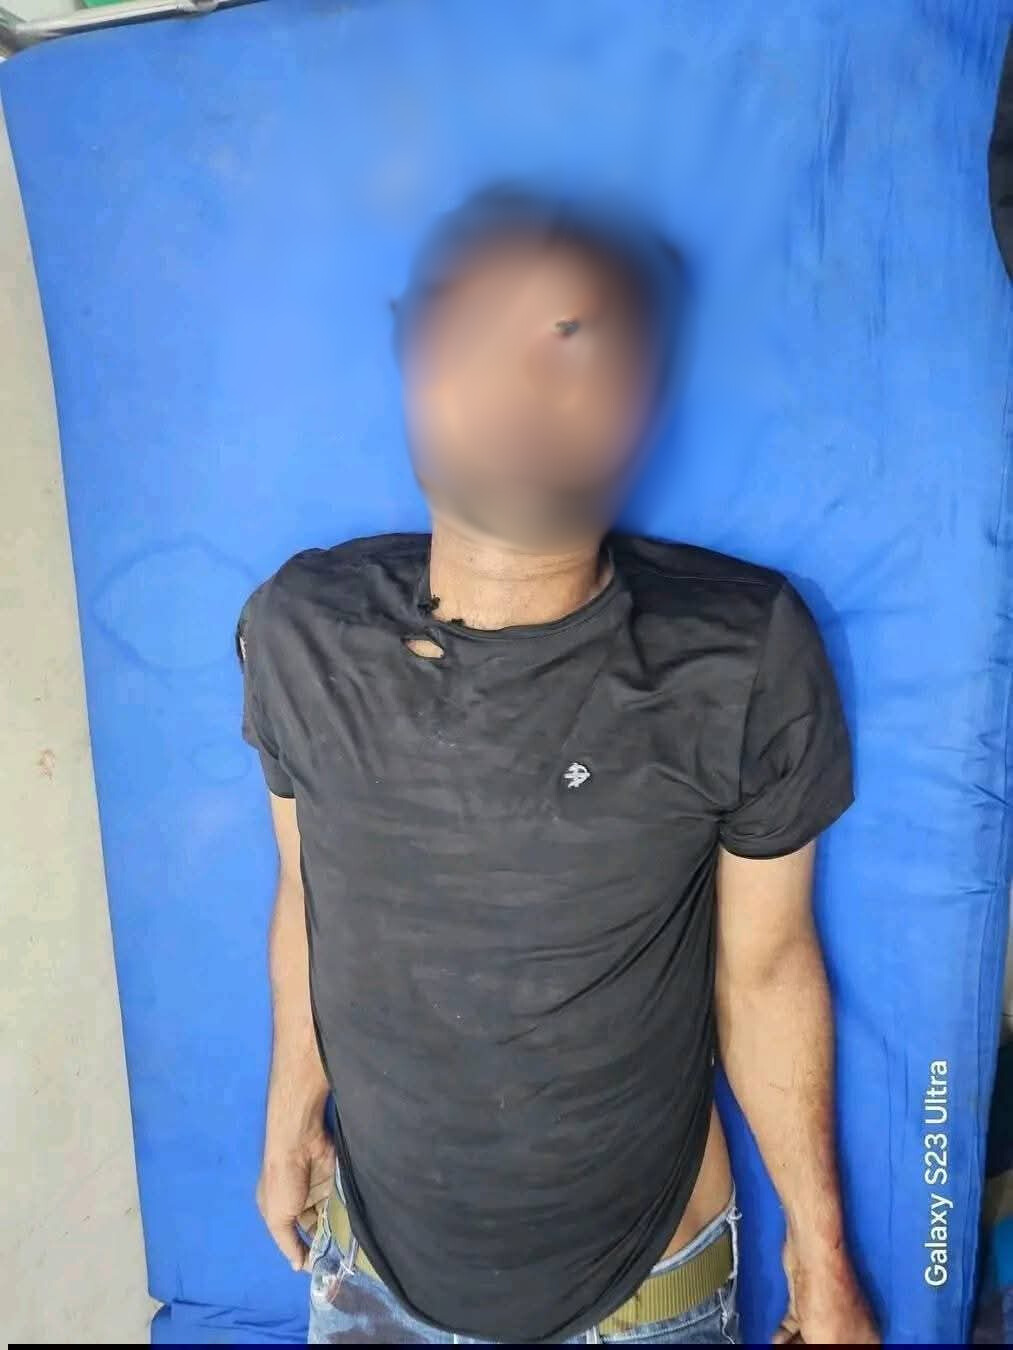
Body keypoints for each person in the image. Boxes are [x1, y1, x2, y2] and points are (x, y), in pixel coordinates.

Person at [238, 186, 879, 1345]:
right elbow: (307, 893)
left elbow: (767, 967)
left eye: (573, 341)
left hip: (645, 1293)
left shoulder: (735, 655)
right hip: (370, 1271)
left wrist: (821, 1253)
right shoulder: (300, 631)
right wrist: (290, 1108)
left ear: (637, 404)